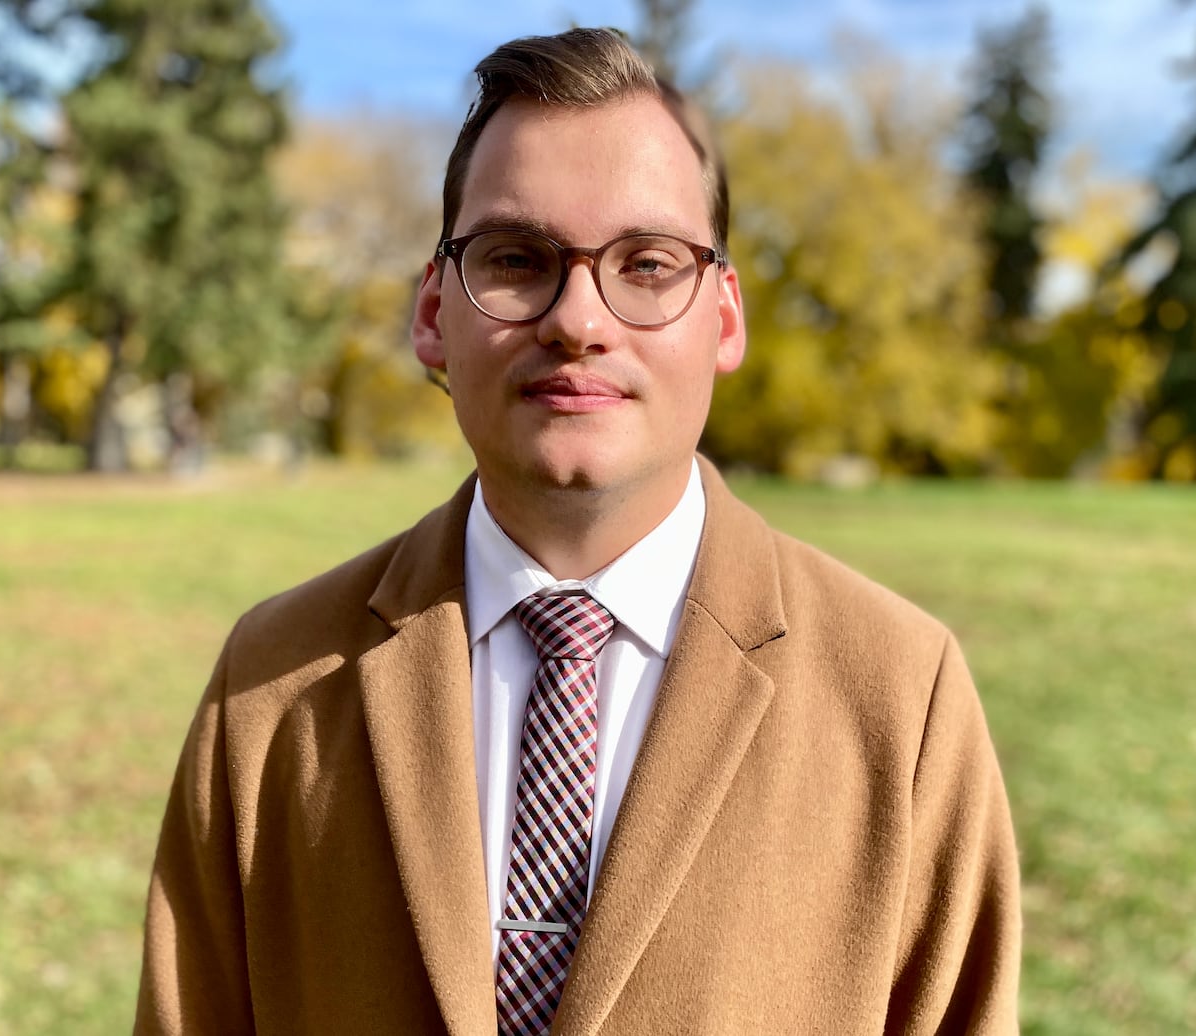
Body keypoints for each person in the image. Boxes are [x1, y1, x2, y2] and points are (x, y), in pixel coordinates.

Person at [134, 27, 1021, 1036]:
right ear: (433, 310)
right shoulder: (274, 681)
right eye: (516, 258)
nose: (577, 318)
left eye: (645, 263)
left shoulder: (901, 698)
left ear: (723, 319)